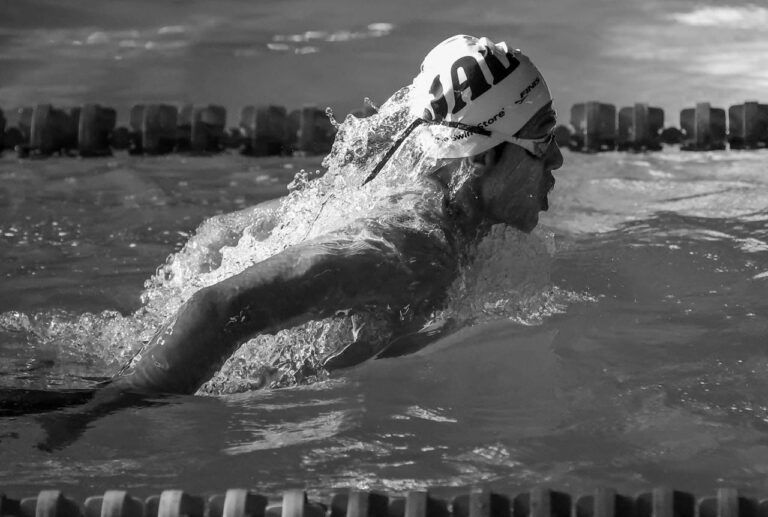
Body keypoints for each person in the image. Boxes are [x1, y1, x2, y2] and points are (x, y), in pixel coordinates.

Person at [1, 34, 563, 431]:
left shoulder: (397, 194)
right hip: (89, 386)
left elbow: (217, 234)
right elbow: (219, 308)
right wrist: (114, 403)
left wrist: (147, 331)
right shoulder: (417, 254)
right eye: (541, 141)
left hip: (94, 352)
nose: (557, 159)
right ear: (479, 160)